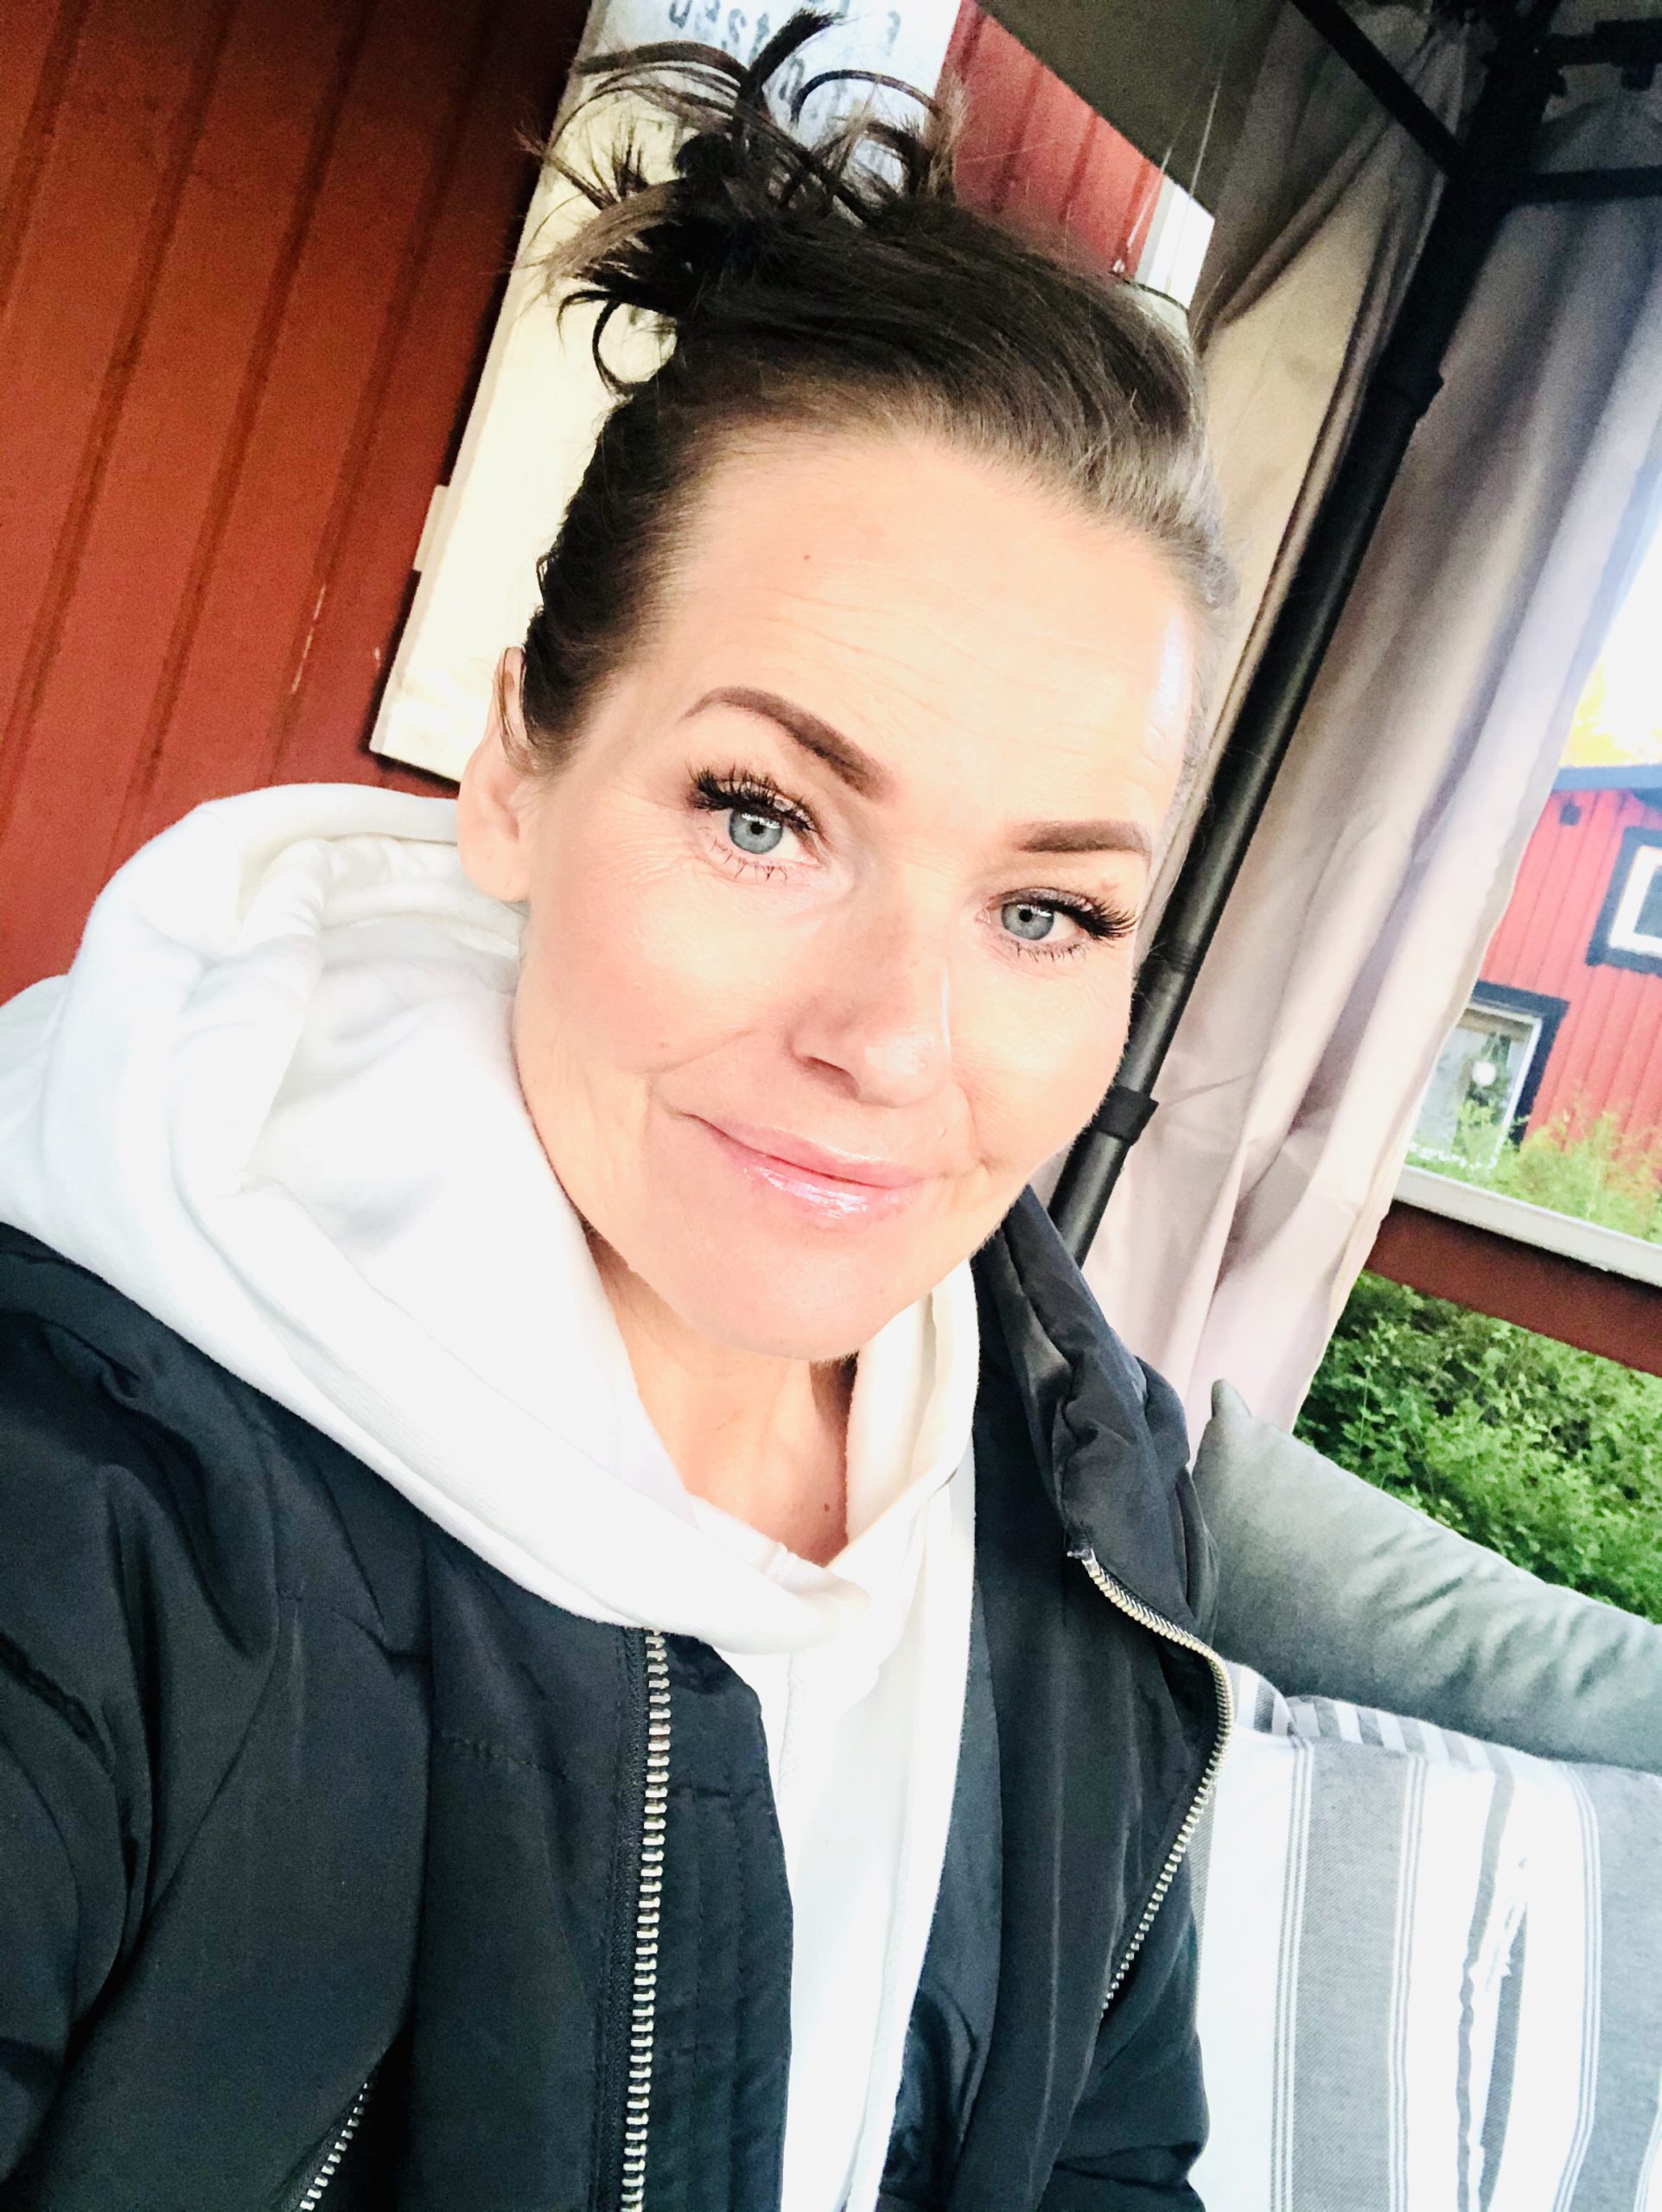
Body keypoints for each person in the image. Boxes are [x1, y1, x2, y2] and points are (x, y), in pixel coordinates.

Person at [0, 13, 1233, 2209]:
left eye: (1045, 906)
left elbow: (1099, 2157)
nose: (891, 1040)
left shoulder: (1081, 1484)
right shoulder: (85, 1511)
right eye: (763, 813)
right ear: (514, 769)